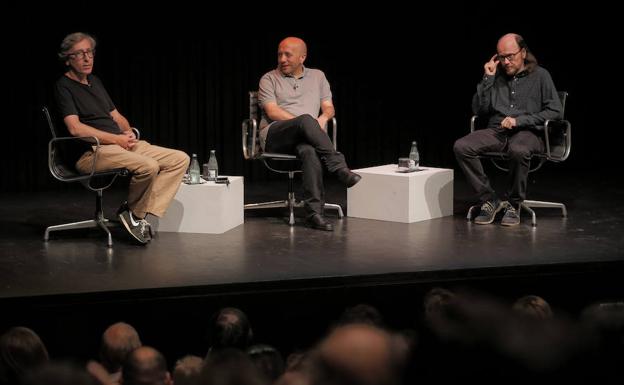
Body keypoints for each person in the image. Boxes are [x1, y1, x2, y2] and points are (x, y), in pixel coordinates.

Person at [54, 32, 190, 244]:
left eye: (89, 52)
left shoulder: (95, 81)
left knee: (179, 159)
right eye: (80, 54)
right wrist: (116, 140)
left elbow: (116, 116)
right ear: (68, 58)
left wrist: (128, 132)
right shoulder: (63, 87)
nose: (87, 58)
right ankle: (134, 215)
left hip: (118, 145)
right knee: (149, 166)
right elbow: (75, 129)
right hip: (92, 151)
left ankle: (135, 213)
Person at [453, 33, 563, 226]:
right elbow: (480, 110)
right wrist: (488, 79)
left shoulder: (541, 76)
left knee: (518, 149)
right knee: (462, 146)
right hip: (498, 132)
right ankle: (489, 199)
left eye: (510, 56)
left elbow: (555, 111)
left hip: (529, 133)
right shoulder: (497, 77)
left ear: (523, 52)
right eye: (501, 57)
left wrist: (519, 121)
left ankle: (514, 203)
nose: (506, 61)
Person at [258, 37, 361, 231]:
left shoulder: (318, 76)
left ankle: (314, 214)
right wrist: (306, 123)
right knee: (306, 120)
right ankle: (339, 167)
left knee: (309, 151)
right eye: (280, 54)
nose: (282, 59)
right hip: (276, 135)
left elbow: (329, 108)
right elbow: (272, 112)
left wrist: (322, 119)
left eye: (288, 54)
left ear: (302, 57)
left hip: (305, 137)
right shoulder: (268, 78)